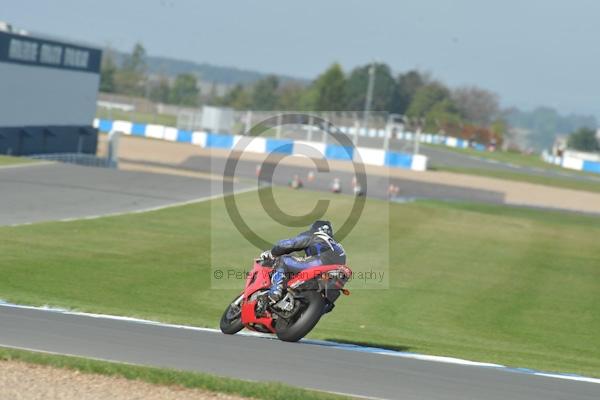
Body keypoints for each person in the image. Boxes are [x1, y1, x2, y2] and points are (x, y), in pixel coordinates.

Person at [259, 220, 346, 304]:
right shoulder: (337, 245)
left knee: (283, 260)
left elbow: (289, 244)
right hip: (336, 273)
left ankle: (275, 290)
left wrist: (272, 253)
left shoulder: (314, 235)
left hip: (319, 264)